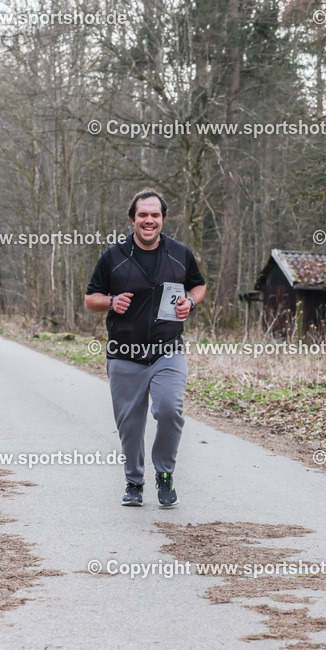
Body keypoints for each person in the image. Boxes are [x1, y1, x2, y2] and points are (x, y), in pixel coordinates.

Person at [84, 188, 206, 508]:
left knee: (169, 409)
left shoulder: (180, 253)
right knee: (131, 424)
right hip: (125, 353)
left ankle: (164, 474)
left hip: (168, 349)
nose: (148, 220)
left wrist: (190, 302)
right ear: (132, 219)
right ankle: (134, 482)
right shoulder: (113, 255)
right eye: (142, 215)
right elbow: (90, 298)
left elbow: (199, 284)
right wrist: (111, 301)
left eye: (155, 215)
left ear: (163, 219)